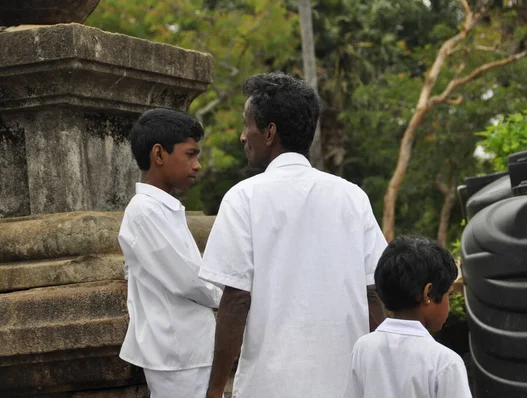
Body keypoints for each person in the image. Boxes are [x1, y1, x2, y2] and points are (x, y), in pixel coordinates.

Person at [198, 72, 388, 398]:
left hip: (270, 386)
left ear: (269, 132)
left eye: (248, 125)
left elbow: (236, 299)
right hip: (345, 385)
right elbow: (374, 294)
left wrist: (215, 389)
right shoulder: (352, 197)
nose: (244, 136)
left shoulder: (243, 198)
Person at [118, 108, 223, 397]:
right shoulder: (145, 211)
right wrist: (235, 295)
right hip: (176, 353)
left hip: (187, 350)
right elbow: (189, 280)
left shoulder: (162, 209)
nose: (197, 165)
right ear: (159, 155)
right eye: (190, 154)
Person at [343, 236, 472, 398]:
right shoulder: (445, 363)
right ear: (428, 293)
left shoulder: (363, 348)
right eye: (449, 295)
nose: (449, 304)